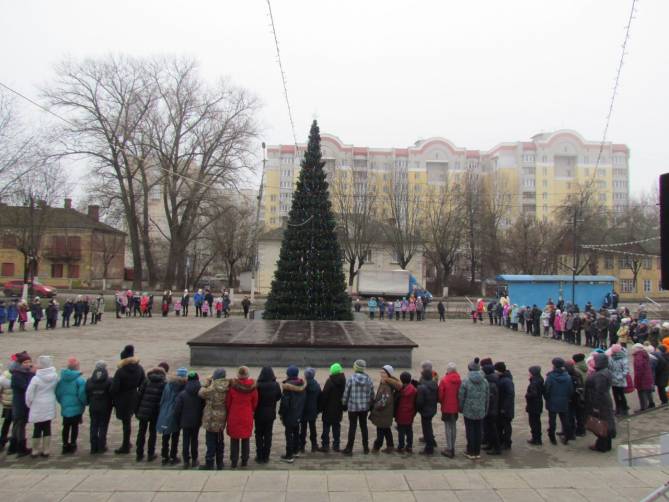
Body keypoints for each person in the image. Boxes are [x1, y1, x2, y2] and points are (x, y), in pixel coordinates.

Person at [111, 345, 145, 454]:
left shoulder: (120, 371)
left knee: (126, 422)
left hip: (122, 398)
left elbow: (114, 388)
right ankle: (131, 442)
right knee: (132, 421)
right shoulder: (139, 368)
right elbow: (143, 383)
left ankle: (125, 445)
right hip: (134, 396)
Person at [25, 355, 58, 458]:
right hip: (49, 402)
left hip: (38, 404)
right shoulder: (55, 376)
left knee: (37, 428)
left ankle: (35, 450)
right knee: (47, 426)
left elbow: (29, 394)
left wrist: (29, 403)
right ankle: (46, 450)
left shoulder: (36, 378)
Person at [135, 363, 168, 462]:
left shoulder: (146, 381)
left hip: (143, 411)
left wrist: (137, 410)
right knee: (152, 433)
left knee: (141, 431)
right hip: (155, 412)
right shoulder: (164, 383)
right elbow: (164, 400)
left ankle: (139, 453)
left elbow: (139, 396)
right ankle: (150, 453)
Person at [226, 366, 258, 468]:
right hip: (246, 415)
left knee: (234, 439)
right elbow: (255, 403)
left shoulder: (232, 387)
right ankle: (244, 460)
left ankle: (234, 461)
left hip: (234, 415)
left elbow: (228, 403)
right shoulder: (253, 388)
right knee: (245, 439)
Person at [341, 359, 374, 456]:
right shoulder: (368, 379)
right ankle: (366, 447)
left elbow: (346, 393)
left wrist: (344, 403)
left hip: (353, 407)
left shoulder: (351, 378)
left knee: (352, 427)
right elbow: (372, 393)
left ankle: (349, 448)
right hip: (364, 407)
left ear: (355, 367)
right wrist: (370, 403)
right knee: (364, 427)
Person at [198, 368, 229, 470]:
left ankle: (209, 462)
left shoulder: (212, 388)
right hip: (221, 418)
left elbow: (201, 393)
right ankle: (220, 462)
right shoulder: (228, 386)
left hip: (211, 419)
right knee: (220, 440)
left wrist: (206, 383)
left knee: (210, 441)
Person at [156, 367, 188, 465]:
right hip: (176, 413)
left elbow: (163, 399)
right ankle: (173, 456)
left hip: (165, 411)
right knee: (175, 435)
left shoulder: (168, 385)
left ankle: (165, 456)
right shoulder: (184, 386)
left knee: (165, 435)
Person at [55, 357, 87, 454]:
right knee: (74, 427)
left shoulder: (61, 380)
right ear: (77, 367)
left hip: (65, 407)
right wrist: (84, 403)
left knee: (65, 426)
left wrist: (62, 402)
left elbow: (58, 393)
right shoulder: (80, 380)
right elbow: (82, 395)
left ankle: (65, 445)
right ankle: (73, 444)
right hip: (76, 407)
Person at [458, 359, 489, 460]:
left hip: (469, 410)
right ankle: (477, 451)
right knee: (479, 430)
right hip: (480, 410)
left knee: (470, 430)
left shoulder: (466, 381)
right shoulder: (485, 381)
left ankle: (470, 451)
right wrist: (485, 409)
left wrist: (461, 408)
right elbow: (487, 397)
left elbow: (461, 396)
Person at [585, 353, 616, 452]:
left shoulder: (601, 375)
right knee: (605, 422)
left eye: (594, 360)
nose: (592, 362)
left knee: (602, 423)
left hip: (601, 403)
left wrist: (596, 406)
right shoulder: (604, 371)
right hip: (603, 401)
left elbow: (599, 391)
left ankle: (602, 445)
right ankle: (605, 444)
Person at [174, 371, 203, 469]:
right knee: (194, 440)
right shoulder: (201, 393)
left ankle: (186, 460)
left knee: (185, 440)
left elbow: (177, 409)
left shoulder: (182, 394)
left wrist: (178, 420)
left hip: (185, 421)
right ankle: (195, 459)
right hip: (196, 421)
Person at [370, 365, 401, 453]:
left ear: (388, 374)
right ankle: (390, 446)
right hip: (385, 412)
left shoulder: (386, 385)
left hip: (383, 412)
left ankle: (376, 447)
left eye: (383, 372)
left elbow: (385, 400)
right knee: (386, 429)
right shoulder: (385, 382)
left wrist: (375, 406)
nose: (381, 374)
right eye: (381, 372)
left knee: (380, 430)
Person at [278, 365, 306, 463]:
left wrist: (281, 413)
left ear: (289, 374)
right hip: (298, 413)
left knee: (288, 434)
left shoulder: (287, 387)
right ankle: (296, 450)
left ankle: (289, 455)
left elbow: (285, 403)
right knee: (296, 433)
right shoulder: (302, 385)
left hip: (289, 414)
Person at [254, 367, 281, 463]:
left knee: (258, 434)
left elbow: (255, 399)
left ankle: (259, 455)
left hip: (259, 413)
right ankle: (266, 456)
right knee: (268, 434)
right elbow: (278, 396)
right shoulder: (276, 385)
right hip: (270, 413)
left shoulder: (257, 385)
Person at [544, 357, 573, 445]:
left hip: (552, 401)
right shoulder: (567, 376)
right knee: (565, 420)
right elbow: (570, 390)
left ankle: (552, 438)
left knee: (552, 421)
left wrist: (547, 398)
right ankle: (567, 437)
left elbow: (546, 390)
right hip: (564, 401)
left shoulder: (550, 376)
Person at [85, 360, 113, 454]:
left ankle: (93, 447)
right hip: (105, 407)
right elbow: (111, 394)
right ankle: (101, 446)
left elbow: (87, 393)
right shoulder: (109, 381)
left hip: (93, 406)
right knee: (103, 426)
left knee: (93, 426)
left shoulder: (89, 381)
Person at [318, 363, 346, 453]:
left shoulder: (329, 381)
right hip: (338, 409)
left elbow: (324, 396)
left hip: (328, 409)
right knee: (336, 427)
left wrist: (320, 408)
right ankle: (336, 445)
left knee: (326, 427)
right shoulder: (343, 381)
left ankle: (325, 445)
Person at [11, 351, 34, 456]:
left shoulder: (23, 373)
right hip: (20, 403)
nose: (28, 364)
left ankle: (13, 446)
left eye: (29, 361)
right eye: (25, 362)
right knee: (20, 424)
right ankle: (20, 448)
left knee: (18, 424)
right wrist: (32, 374)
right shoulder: (17, 375)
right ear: (20, 364)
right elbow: (26, 387)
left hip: (21, 403)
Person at [438, 362, 461, 458]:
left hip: (447, 407)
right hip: (455, 407)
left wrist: (441, 401)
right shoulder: (459, 380)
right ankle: (453, 447)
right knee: (453, 426)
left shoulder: (444, 380)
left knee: (447, 427)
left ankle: (449, 448)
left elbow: (440, 395)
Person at [416, 361, 438, 455]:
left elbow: (420, 401)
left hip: (425, 410)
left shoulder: (422, 387)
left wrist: (417, 408)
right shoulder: (434, 384)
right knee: (428, 425)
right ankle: (432, 441)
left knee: (426, 428)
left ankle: (429, 448)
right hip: (432, 408)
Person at [299, 367, 321, 453]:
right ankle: (314, 446)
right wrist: (318, 409)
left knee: (303, 429)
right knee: (313, 428)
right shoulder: (316, 385)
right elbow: (320, 398)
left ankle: (302, 446)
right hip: (313, 409)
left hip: (303, 410)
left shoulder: (302, 384)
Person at [494, 361, 514, 450]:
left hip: (505, 409)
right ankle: (503, 441)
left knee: (506, 425)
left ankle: (507, 442)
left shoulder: (506, 381)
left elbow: (510, 395)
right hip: (502, 407)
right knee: (501, 425)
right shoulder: (504, 378)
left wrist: (504, 408)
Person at [481, 363, 500, 455]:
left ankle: (496, 448)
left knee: (492, 429)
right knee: (489, 428)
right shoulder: (493, 380)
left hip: (491, 411)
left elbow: (489, 399)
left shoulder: (490, 384)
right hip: (491, 410)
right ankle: (490, 444)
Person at [395, 371, 417, 454]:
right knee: (409, 430)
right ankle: (409, 446)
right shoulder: (414, 390)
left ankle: (401, 446)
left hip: (401, 413)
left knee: (401, 431)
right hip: (410, 413)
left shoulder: (401, 390)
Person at [525, 366, 544, 445]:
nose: (529, 373)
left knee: (533, 422)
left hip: (533, 405)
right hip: (539, 404)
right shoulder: (540, 380)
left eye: (530, 372)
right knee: (537, 422)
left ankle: (535, 439)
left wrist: (527, 395)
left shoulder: (534, 383)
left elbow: (533, 394)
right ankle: (538, 439)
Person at [633, 343, 655, 411]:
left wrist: (637, 378)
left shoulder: (638, 357)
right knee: (648, 390)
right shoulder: (645, 354)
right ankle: (651, 404)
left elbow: (639, 368)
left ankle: (643, 407)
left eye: (633, 349)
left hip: (642, 377)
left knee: (641, 392)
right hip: (647, 375)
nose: (633, 350)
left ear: (637, 349)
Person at [0, 359, 13, 452]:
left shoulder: (3, 377)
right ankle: (14, 442)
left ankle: (2, 441)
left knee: (6, 422)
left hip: (7, 404)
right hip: (15, 404)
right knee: (17, 424)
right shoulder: (19, 376)